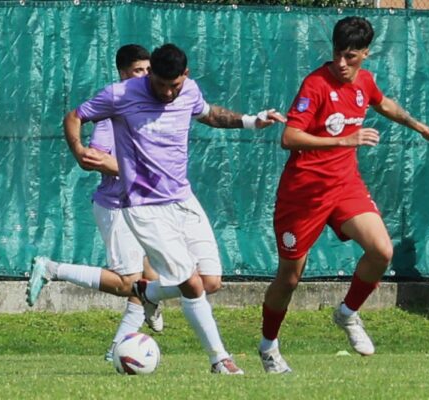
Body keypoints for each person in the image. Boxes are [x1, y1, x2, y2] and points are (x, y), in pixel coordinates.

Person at [64, 43, 285, 374]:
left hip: (183, 200)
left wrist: (253, 120)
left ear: (186, 75)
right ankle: (219, 359)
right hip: (144, 208)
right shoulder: (120, 94)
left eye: (175, 85)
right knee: (191, 284)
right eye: (160, 84)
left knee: (210, 280)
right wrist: (79, 149)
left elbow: (210, 114)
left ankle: (147, 291)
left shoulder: (189, 91)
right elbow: (75, 116)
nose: (168, 93)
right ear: (150, 73)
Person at [258, 16, 429, 373]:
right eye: (337, 53)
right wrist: (344, 140)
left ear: (365, 53)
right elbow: (289, 137)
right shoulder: (315, 85)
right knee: (289, 277)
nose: (341, 63)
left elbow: (384, 104)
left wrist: (423, 129)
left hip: (344, 187)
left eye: (350, 56)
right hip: (302, 194)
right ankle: (268, 346)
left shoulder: (364, 80)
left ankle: (347, 313)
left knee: (382, 250)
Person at [26, 45, 162, 362]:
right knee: (127, 284)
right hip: (117, 207)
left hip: (145, 207)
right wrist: (142, 172)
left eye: (147, 70)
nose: (144, 76)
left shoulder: (149, 103)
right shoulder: (112, 108)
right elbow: (95, 158)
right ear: (122, 73)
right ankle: (50, 269)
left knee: (152, 281)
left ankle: (117, 350)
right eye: (137, 71)